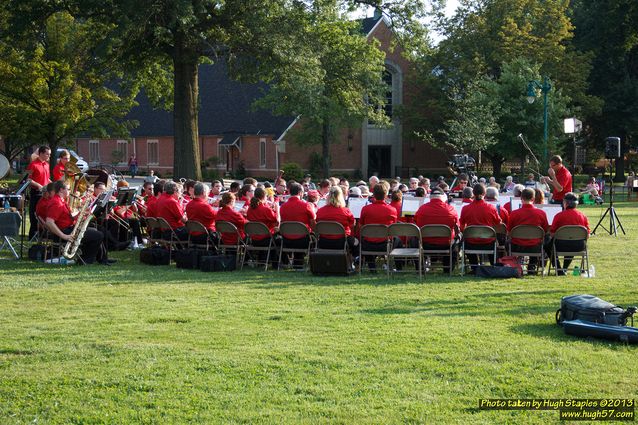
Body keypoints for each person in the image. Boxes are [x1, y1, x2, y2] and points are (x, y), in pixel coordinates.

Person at [45, 180, 107, 264]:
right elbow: (49, 222)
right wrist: (64, 236)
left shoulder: (61, 200)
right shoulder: (57, 203)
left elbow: (68, 217)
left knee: (95, 231)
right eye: (68, 189)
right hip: (65, 231)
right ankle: (86, 260)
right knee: (98, 235)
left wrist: (82, 213)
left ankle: (102, 259)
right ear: (61, 190)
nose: (70, 191)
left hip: (69, 228)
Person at [414, 188, 460, 273]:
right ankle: (448, 269)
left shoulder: (422, 209)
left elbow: (416, 222)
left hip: (425, 244)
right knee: (456, 241)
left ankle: (420, 268)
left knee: (413, 239)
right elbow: (457, 226)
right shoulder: (451, 210)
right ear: (443, 197)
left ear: (430, 197)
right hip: (446, 244)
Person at [507, 188, 549, 275]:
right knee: (542, 241)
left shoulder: (514, 213)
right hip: (535, 247)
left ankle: (516, 264)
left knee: (507, 242)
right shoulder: (541, 213)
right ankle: (532, 267)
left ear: (521, 199)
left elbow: (509, 231)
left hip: (517, 246)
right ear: (533, 199)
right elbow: (544, 231)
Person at [460, 184, 502, 268]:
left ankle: (474, 266)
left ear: (473, 193)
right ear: (484, 193)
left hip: (471, 243)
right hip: (488, 242)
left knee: (465, 240)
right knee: (493, 240)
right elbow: (499, 223)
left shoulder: (465, 208)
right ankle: (494, 265)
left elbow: (462, 226)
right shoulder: (491, 208)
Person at [359, 183, 399, 272]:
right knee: (398, 240)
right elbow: (393, 228)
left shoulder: (365, 209)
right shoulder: (392, 209)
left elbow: (361, 225)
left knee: (365, 239)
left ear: (373, 194)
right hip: (385, 245)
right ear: (386, 195)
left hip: (368, 245)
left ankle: (372, 267)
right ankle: (399, 267)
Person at [549, 192, 589, 275]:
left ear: (565, 203)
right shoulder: (582, 216)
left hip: (561, 246)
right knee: (571, 239)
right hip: (579, 246)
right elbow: (587, 234)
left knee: (547, 246)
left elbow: (552, 233)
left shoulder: (559, 216)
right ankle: (564, 268)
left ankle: (559, 268)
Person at [280, 183, 316, 267]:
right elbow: (313, 223)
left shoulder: (283, 206)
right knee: (314, 239)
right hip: (303, 241)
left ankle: (291, 262)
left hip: (286, 240)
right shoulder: (306, 205)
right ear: (300, 193)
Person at [316, 186, 357, 253]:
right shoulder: (346, 211)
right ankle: (352, 261)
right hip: (342, 243)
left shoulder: (320, 211)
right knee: (356, 242)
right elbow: (352, 227)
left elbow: (317, 225)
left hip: (323, 242)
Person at [246, 187, 280, 266]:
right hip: (266, 239)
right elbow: (277, 221)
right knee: (280, 240)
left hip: (254, 239)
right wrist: (277, 209)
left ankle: (263, 261)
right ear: (264, 196)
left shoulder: (250, 209)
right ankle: (276, 264)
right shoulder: (265, 209)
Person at [27, 146, 52, 239]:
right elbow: (28, 179)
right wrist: (38, 185)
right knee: (35, 214)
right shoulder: (32, 165)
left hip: (45, 194)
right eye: (47, 154)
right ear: (41, 153)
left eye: (50, 154)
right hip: (36, 193)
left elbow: (47, 178)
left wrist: (52, 183)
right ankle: (32, 235)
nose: (49, 156)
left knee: (44, 214)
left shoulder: (47, 165)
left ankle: (42, 234)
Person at [185, 182, 217, 246]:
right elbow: (218, 216)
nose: (208, 195)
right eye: (208, 193)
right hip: (206, 236)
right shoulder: (205, 206)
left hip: (192, 236)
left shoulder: (189, 204)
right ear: (204, 193)